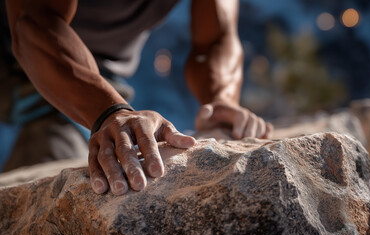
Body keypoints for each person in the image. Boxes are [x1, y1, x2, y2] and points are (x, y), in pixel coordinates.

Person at [3, 0, 273, 195]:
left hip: (98, 73)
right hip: (21, 62)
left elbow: (216, 38)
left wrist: (220, 100)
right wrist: (110, 112)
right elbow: (33, 22)